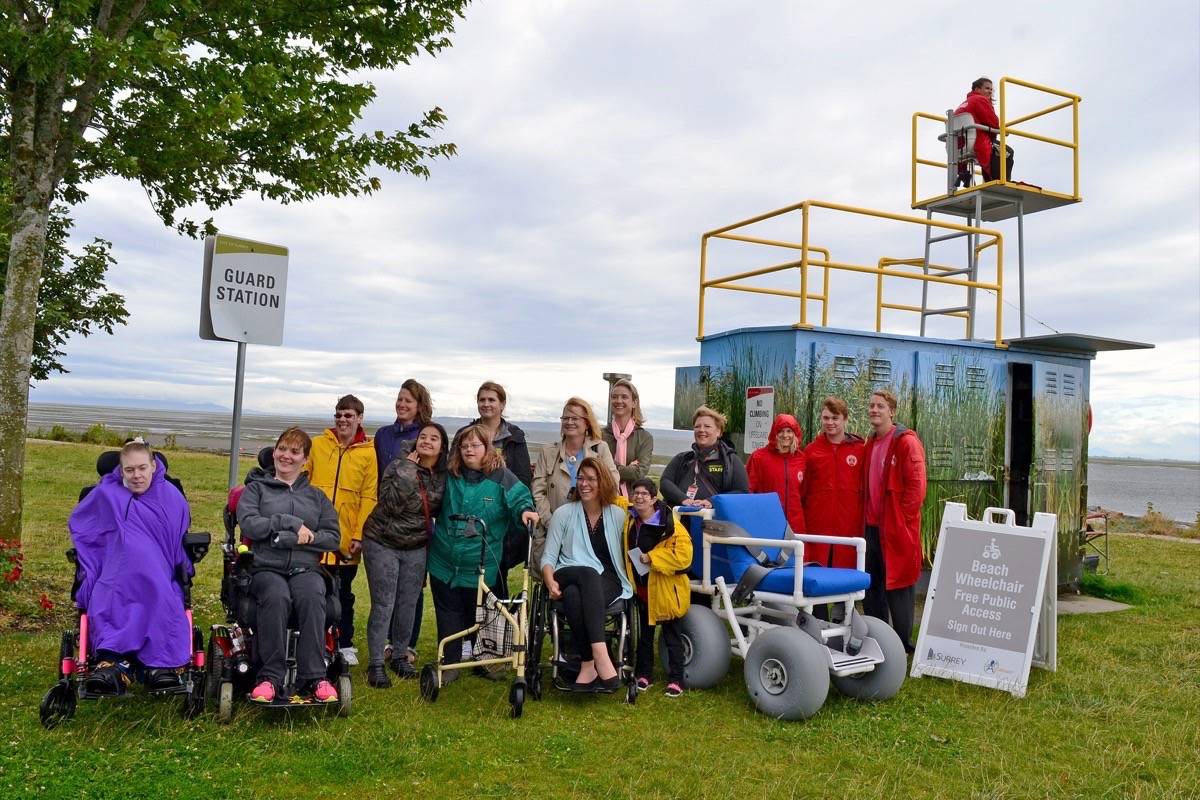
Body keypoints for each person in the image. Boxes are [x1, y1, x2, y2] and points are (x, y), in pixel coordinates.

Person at [68, 440, 193, 695]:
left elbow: (176, 540)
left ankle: (159, 664)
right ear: (120, 471)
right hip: (113, 568)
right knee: (110, 591)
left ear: (153, 466)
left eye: (142, 468)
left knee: (160, 591)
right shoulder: (105, 494)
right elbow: (86, 527)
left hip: (158, 569)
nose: (136, 475)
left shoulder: (171, 496)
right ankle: (112, 662)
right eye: (129, 470)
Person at [238, 427, 342, 703]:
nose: (286, 455)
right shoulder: (256, 489)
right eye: (282, 449)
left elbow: (332, 538)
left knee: (311, 595)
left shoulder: (317, 497)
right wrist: (288, 525)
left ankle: (316, 677)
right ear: (274, 453)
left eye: (294, 452)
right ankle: (269, 678)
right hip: (265, 568)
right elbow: (250, 523)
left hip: (305, 568)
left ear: (305, 460)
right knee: (276, 596)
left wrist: (296, 541)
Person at [426, 424, 538, 673]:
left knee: (483, 615)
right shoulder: (450, 474)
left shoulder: (502, 477)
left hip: (482, 566)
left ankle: (487, 660)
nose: (468, 450)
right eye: (464, 446)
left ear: (488, 448)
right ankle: (450, 663)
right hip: (443, 563)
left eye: (475, 445)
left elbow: (521, 499)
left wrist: (526, 512)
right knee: (449, 615)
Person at [361, 422, 448, 688]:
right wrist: (409, 469)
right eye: (423, 436)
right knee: (384, 603)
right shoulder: (398, 466)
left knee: (408, 602)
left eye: (434, 438)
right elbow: (392, 505)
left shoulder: (445, 475)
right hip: (383, 540)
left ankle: (400, 655)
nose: (427, 441)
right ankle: (376, 663)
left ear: (442, 446)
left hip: (416, 545)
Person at [540, 458, 634, 693]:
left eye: (591, 479)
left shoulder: (618, 516)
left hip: (608, 578)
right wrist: (549, 580)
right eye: (580, 478)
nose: (584, 484)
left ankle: (588, 664)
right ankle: (601, 653)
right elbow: (549, 557)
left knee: (573, 595)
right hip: (566, 572)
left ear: (603, 482)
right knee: (584, 575)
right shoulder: (563, 513)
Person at [308, 394, 378, 666]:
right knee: (313, 589)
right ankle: (313, 637)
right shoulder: (317, 445)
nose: (342, 420)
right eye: (338, 414)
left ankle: (344, 642)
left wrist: (359, 534)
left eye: (348, 415)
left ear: (359, 418)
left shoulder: (368, 453)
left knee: (342, 592)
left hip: (347, 537)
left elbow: (369, 496)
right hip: (314, 535)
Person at [373, 378, 434, 669]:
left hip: (416, 522)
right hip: (387, 518)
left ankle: (406, 645)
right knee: (387, 586)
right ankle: (386, 643)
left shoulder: (426, 435)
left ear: (420, 405)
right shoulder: (383, 435)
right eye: (399, 399)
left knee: (412, 587)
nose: (402, 404)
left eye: (408, 400)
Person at [862, 389, 927, 653]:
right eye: (871, 406)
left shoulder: (905, 442)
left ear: (892, 411)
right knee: (873, 584)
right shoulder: (870, 444)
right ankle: (879, 637)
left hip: (896, 528)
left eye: (880, 406)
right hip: (871, 528)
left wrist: (903, 519)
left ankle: (901, 643)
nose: (874, 410)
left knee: (899, 585)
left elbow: (917, 486)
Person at [624, 477, 691, 698]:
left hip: (666, 591)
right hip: (643, 591)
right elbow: (614, 501)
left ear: (654, 498)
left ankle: (676, 679)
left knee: (672, 636)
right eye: (636, 493)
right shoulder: (631, 518)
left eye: (645, 494)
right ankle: (644, 674)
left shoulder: (670, 525)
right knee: (644, 636)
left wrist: (652, 558)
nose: (639, 497)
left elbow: (683, 557)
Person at [531, 397, 619, 565]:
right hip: (551, 531)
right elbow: (538, 492)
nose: (569, 422)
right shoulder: (548, 452)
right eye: (565, 418)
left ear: (586, 423)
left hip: (590, 531)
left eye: (575, 418)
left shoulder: (600, 449)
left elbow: (612, 484)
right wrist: (552, 523)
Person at [802, 396, 866, 569]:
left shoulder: (860, 450)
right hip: (818, 526)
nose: (830, 422)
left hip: (848, 526)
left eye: (835, 418)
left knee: (845, 579)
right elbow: (802, 491)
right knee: (817, 573)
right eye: (826, 418)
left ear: (845, 419)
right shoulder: (811, 452)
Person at [660, 406, 749, 508]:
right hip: (679, 520)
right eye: (697, 426)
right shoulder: (683, 458)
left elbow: (741, 491)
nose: (701, 430)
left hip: (713, 521)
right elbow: (665, 482)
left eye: (707, 426)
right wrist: (684, 500)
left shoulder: (731, 460)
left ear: (719, 432)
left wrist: (711, 501)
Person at [746, 413, 808, 539]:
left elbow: (805, 492)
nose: (785, 435)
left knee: (796, 557)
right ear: (774, 433)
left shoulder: (802, 459)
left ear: (795, 433)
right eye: (781, 431)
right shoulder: (759, 457)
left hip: (796, 523)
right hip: (767, 521)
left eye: (789, 431)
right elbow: (749, 490)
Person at [955, 76, 1014, 186]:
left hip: (958, 146)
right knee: (1007, 151)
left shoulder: (964, 103)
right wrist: (1002, 131)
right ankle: (1001, 182)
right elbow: (993, 122)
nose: (990, 91)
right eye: (987, 88)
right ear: (977, 90)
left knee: (996, 149)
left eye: (991, 89)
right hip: (977, 142)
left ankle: (990, 180)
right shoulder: (980, 99)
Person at [601, 378, 654, 498]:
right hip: (603, 498)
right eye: (614, 397)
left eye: (624, 397)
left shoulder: (644, 438)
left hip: (633, 501)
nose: (618, 401)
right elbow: (597, 468)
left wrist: (609, 465)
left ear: (634, 402)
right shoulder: (600, 435)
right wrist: (627, 469)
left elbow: (638, 473)